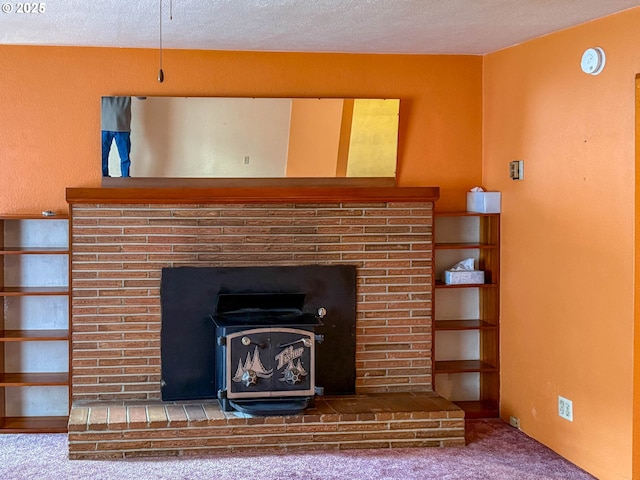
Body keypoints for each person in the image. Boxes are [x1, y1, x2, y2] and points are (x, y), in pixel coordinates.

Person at [101, 96, 133, 177]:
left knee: (124, 158)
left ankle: (125, 180)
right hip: (108, 124)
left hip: (120, 125)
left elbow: (142, 96)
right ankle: (104, 180)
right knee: (102, 158)